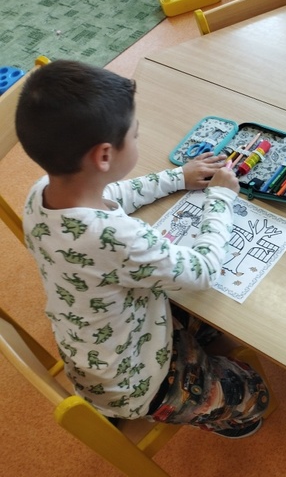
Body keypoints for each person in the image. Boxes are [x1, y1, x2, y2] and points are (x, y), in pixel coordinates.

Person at [16, 60, 269, 437]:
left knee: (201, 315)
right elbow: (202, 271)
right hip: (139, 384)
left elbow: (112, 193)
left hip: (100, 357)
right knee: (253, 394)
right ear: (104, 156)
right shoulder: (114, 237)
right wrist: (220, 197)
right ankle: (210, 415)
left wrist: (177, 177)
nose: (138, 138)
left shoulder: (42, 191)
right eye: (134, 135)